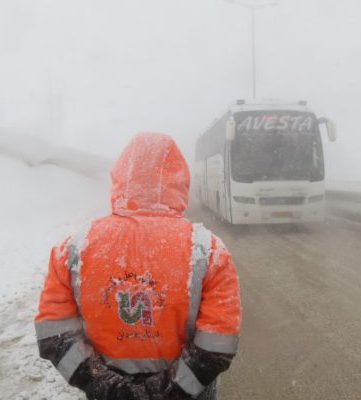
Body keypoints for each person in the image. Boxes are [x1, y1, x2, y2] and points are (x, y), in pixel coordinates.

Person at [34, 132, 242, 400]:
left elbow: (54, 335)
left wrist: (102, 384)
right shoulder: (209, 250)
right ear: (180, 180)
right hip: (188, 392)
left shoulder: (74, 248)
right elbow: (217, 344)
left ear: (121, 176)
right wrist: (171, 389)